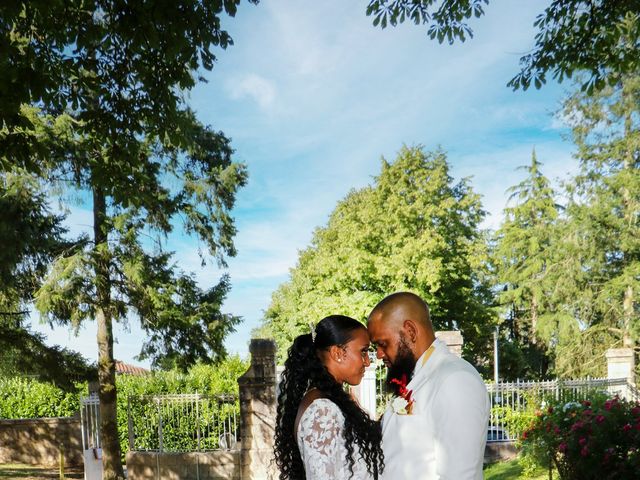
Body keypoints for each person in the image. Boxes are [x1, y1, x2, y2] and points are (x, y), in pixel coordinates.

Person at [367, 292, 490, 479]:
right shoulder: (416, 376)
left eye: (383, 344)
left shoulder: (455, 380)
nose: (379, 355)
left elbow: (459, 475)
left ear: (410, 331)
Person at [274, 315, 385, 480]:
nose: (367, 362)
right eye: (363, 351)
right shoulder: (322, 411)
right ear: (338, 353)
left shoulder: (331, 401)